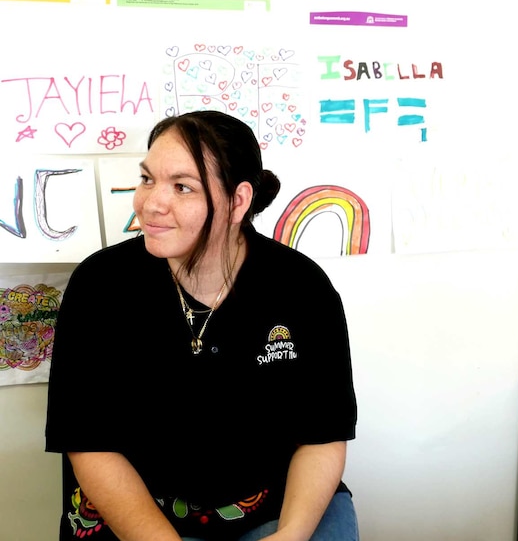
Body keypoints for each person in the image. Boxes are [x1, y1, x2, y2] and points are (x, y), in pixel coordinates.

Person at [45, 110, 359, 541]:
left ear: (238, 201)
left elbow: (323, 433)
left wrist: (292, 534)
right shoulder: (100, 286)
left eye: (182, 187)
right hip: (140, 508)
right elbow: (89, 442)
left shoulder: (302, 287)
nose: (149, 202)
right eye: (147, 179)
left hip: (275, 501)